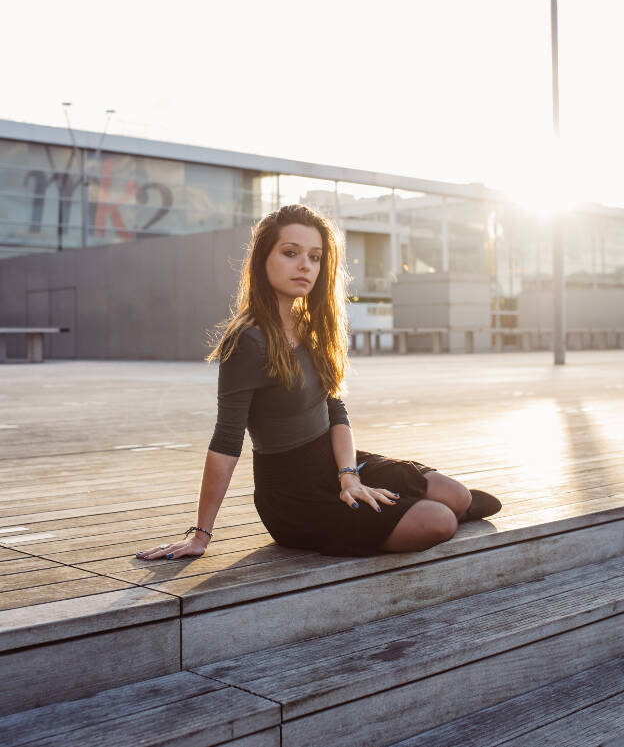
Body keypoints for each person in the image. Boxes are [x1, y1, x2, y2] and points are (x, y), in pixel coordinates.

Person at [136, 204, 501, 562]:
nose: (305, 265)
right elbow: (226, 440)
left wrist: (348, 475)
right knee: (437, 520)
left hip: (336, 464)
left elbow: (335, 408)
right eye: (291, 253)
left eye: (315, 256)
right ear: (263, 259)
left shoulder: (313, 327)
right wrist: (201, 535)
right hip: (294, 495)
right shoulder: (247, 341)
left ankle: (433, 507)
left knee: (456, 495)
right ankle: (423, 513)